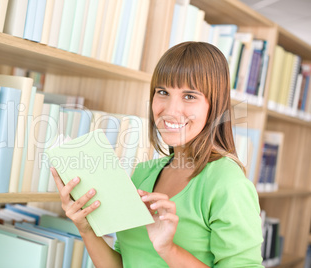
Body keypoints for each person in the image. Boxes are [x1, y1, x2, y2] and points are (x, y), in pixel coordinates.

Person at [51, 41, 263, 267]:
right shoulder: (143, 174)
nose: (170, 111)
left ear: (215, 106)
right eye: (163, 92)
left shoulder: (227, 183)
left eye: (189, 96)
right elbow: (126, 263)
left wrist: (168, 249)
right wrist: (86, 229)